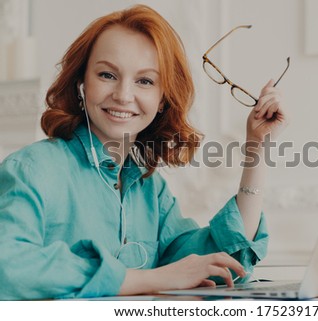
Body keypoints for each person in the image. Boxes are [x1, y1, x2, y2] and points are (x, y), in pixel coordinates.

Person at [0, 4, 288, 299]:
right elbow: (7, 268)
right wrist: (147, 279)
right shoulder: (31, 169)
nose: (124, 95)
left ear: (162, 99)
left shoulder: (151, 190)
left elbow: (221, 265)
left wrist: (257, 145)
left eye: (145, 81)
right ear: (81, 84)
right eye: (107, 75)